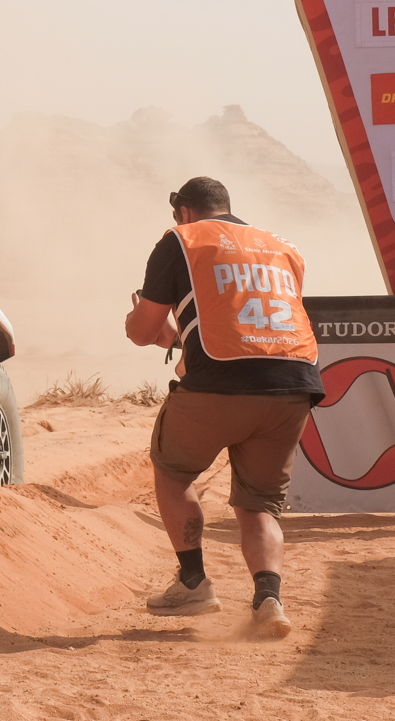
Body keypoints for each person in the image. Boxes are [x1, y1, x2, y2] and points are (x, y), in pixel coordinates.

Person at [124, 175, 321, 640]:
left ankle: (193, 582)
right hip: (293, 386)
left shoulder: (181, 240)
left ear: (185, 212)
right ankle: (269, 598)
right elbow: (249, 325)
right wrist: (179, 340)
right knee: (259, 504)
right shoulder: (282, 247)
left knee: (173, 473)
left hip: (219, 386)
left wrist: (142, 322)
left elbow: (142, 330)